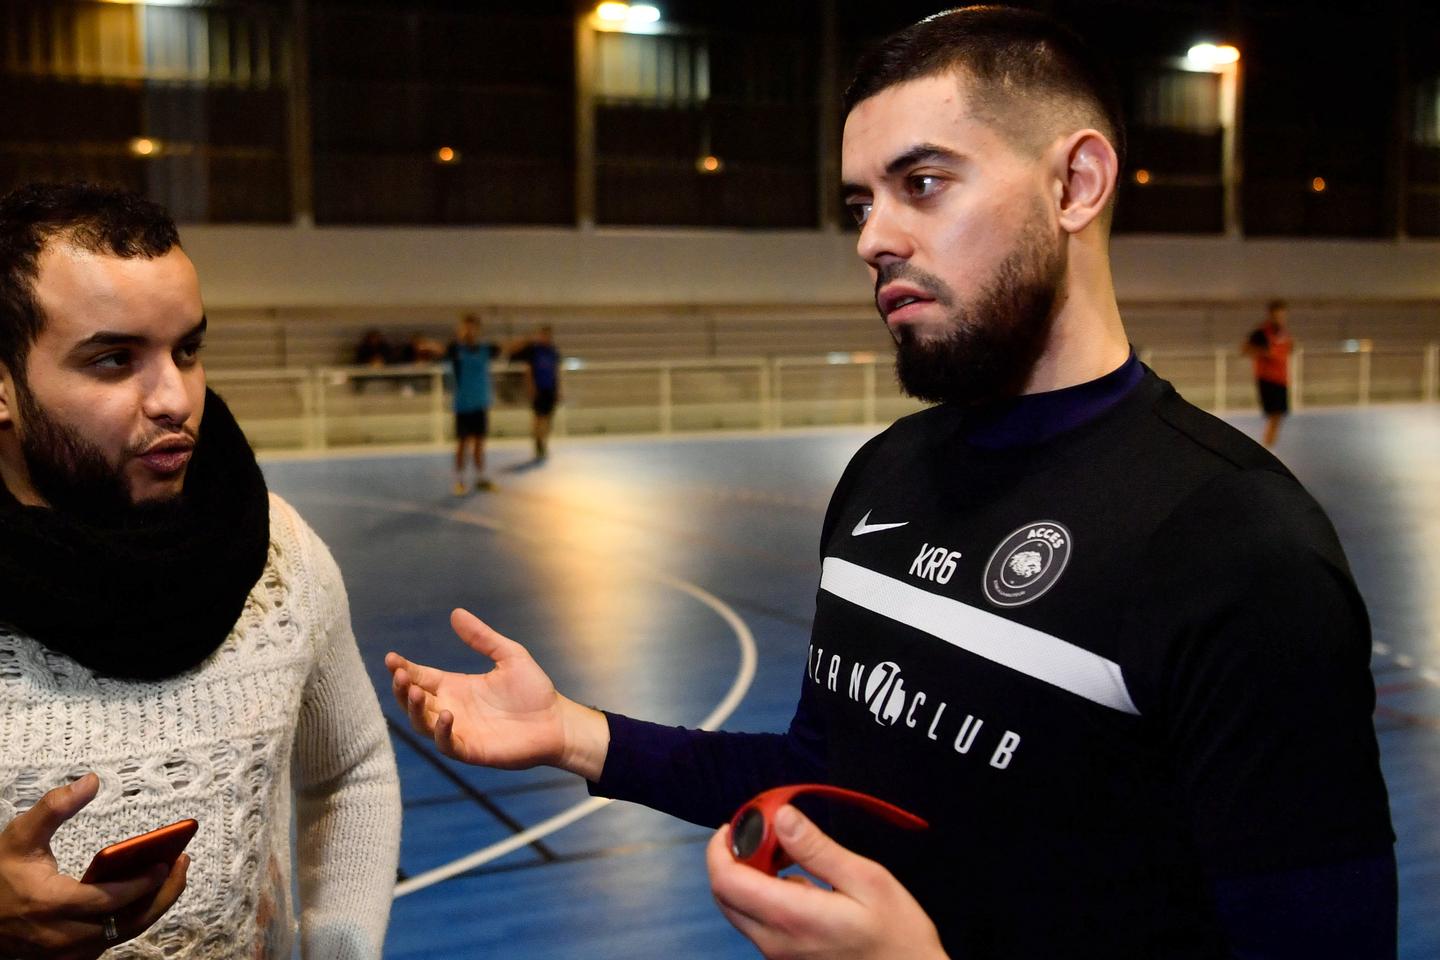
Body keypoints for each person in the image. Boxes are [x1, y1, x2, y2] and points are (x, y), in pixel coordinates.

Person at [387, 7, 1394, 959]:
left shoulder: (1240, 549)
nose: (873, 239)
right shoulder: (883, 478)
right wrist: (577, 734)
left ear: (1076, 185)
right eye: (861, 202)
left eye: (923, 183)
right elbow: (828, 769)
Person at [0, 182, 401, 959]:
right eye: (115, 360)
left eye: (187, 350)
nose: (175, 398)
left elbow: (351, 773)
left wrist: (340, 950)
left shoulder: (279, 553)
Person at [444, 313, 501, 494]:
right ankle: (459, 480)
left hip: (480, 404)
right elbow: (442, 351)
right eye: (466, 327)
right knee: (462, 444)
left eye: (472, 327)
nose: (469, 330)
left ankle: (480, 478)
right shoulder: (455, 350)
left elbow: (505, 349)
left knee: (479, 444)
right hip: (462, 405)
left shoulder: (485, 349)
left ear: (478, 329)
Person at [1242, 299, 1294, 447]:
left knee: (1277, 417)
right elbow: (1245, 349)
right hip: (1267, 379)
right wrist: (1266, 353)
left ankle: (1269, 446)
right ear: (1271, 315)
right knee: (1274, 415)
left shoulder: (1285, 333)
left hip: (1281, 379)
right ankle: (1267, 448)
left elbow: (1287, 350)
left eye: (1283, 315)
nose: (1281, 318)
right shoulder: (1261, 333)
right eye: (1278, 315)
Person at [507, 325, 561, 459]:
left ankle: (544, 443)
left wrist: (558, 389)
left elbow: (556, 372)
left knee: (548, 418)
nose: (545, 337)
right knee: (538, 418)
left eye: (548, 335)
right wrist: (531, 387)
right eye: (543, 334)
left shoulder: (553, 352)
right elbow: (527, 368)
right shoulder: (533, 350)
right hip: (538, 389)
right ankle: (537, 444)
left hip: (550, 389)